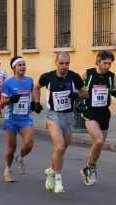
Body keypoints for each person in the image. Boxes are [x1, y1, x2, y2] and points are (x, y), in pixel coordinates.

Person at [33, 52, 88, 193]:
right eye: (61, 63)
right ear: (56, 62)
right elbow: (36, 87)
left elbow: (85, 93)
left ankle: (51, 171)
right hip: (53, 116)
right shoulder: (47, 77)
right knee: (60, 147)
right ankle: (58, 179)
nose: (64, 66)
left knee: (60, 151)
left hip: (69, 116)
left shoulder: (74, 77)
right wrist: (37, 102)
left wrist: (76, 95)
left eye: (67, 63)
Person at [78, 50, 116, 186]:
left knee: (99, 144)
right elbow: (75, 89)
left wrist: (115, 93)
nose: (107, 66)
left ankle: (88, 167)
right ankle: (92, 168)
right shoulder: (88, 73)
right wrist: (78, 101)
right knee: (98, 141)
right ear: (98, 61)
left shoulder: (112, 77)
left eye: (109, 64)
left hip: (104, 112)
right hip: (90, 111)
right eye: (105, 63)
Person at [0, 56, 36, 182]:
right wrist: (11, 99)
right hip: (11, 119)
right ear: (13, 68)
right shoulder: (8, 83)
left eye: (24, 64)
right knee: (11, 148)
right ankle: (8, 170)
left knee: (29, 143)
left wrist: (35, 103)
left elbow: (33, 92)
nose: (22, 67)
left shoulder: (29, 81)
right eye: (19, 65)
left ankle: (20, 158)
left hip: (25, 118)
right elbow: (1, 103)